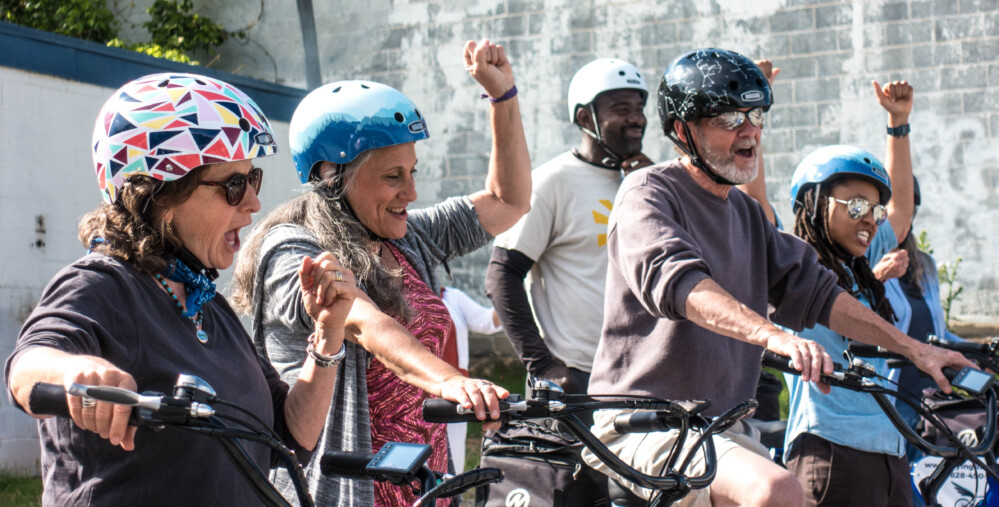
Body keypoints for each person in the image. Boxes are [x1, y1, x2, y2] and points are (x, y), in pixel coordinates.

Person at [581, 48, 972, 506]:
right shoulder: (649, 191)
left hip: (722, 430)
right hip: (646, 422)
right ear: (684, 130)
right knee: (776, 491)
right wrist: (776, 337)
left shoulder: (746, 214)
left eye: (756, 115)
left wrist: (917, 350)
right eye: (730, 118)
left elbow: (822, 292)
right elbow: (679, 283)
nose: (750, 131)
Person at [4, 73, 357, 505]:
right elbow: (27, 367)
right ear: (164, 194)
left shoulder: (208, 308)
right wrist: (74, 374)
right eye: (233, 185)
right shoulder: (102, 285)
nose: (253, 202)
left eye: (253, 179)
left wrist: (327, 333)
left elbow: (292, 435)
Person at [230, 39, 530, 506]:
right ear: (332, 173)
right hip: (343, 493)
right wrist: (452, 382)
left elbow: (508, 201)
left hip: (424, 489)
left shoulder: (404, 236)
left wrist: (503, 98)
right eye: (393, 176)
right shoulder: (292, 249)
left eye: (413, 172)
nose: (410, 192)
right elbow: (364, 323)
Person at [439, 286, 503, 471]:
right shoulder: (402, 293)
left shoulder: (452, 296)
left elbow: (486, 321)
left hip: (457, 394)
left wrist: (509, 292)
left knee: (454, 459)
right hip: (416, 390)